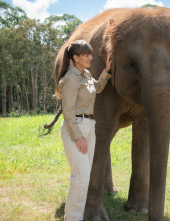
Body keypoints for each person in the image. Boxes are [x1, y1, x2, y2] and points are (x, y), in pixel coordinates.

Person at [55, 39, 112, 221]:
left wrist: (106, 71)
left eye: (90, 54)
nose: (90, 57)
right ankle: (73, 218)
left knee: (84, 177)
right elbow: (68, 113)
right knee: (80, 176)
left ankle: (74, 216)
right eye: (86, 55)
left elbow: (97, 88)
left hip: (90, 127)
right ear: (75, 58)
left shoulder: (85, 74)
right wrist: (78, 136)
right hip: (76, 128)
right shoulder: (70, 80)